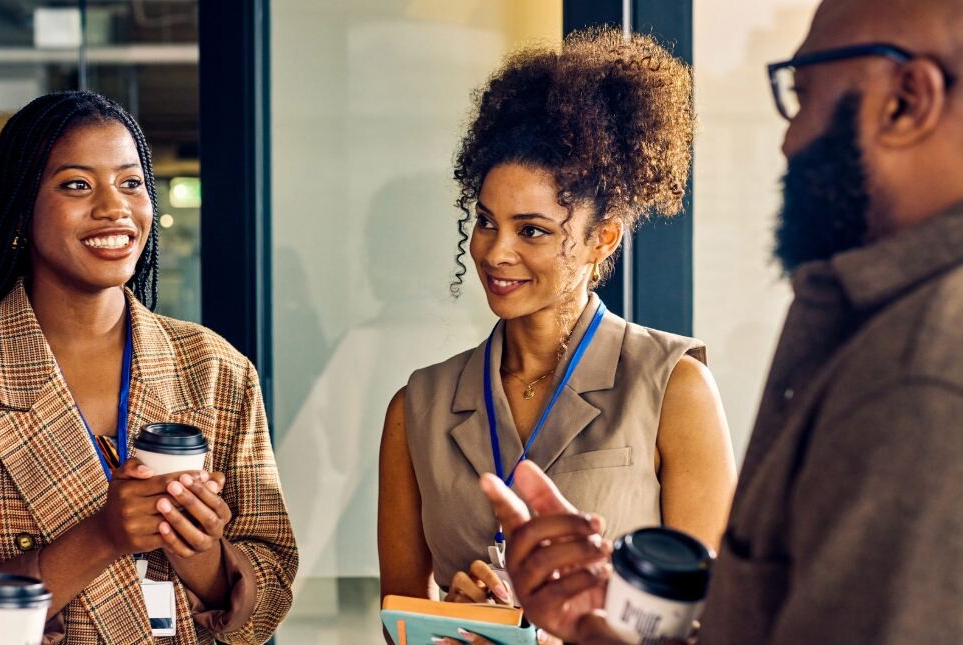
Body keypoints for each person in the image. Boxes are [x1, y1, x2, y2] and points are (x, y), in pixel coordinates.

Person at [478, 0, 963, 643]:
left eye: (803, 92)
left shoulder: (921, 375)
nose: (790, 140)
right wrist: (606, 624)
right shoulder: (880, 333)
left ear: (907, 100)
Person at [0, 91, 297, 644]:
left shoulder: (214, 367)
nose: (114, 207)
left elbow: (268, 600)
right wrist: (102, 536)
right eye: (77, 184)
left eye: (130, 182)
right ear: (21, 211)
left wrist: (199, 550)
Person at [378, 28, 736, 607]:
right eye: (487, 221)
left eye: (533, 231)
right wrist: (453, 613)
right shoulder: (417, 407)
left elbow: (713, 613)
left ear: (602, 238)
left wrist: (584, 613)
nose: (496, 252)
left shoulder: (674, 386)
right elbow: (397, 615)